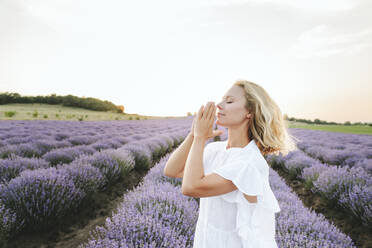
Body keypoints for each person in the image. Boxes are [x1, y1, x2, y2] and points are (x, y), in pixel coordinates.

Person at [163, 80, 298, 248]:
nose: (219, 105)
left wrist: (200, 137)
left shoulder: (248, 163)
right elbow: (172, 170)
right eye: (222, 100)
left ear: (250, 111)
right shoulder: (216, 150)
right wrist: (193, 134)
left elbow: (191, 187)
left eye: (229, 101)